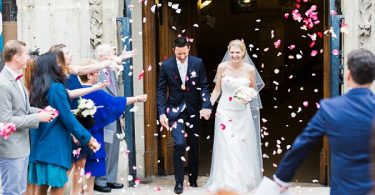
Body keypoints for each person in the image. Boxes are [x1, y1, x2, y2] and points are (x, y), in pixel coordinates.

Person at [274, 49, 375, 195]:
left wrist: (282, 178)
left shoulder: (330, 108)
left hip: (343, 190)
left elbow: (303, 144)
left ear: (348, 75)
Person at [28, 52, 100, 195]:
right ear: (52, 67)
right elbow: (67, 118)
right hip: (54, 145)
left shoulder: (36, 88)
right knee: (58, 185)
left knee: (42, 186)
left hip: (39, 143)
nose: (63, 65)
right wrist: (88, 138)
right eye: (59, 63)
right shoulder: (56, 88)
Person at [75, 58, 147, 194]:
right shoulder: (96, 92)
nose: (98, 74)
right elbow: (114, 103)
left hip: (77, 136)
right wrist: (137, 98)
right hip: (93, 137)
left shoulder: (75, 91)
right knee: (89, 175)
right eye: (96, 72)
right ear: (89, 75)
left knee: (78, 173)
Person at [205, 39, 264, 194]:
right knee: (227, 145)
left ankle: (242, 179)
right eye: (232, 52)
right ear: (228, 52)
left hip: (242, 113)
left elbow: (253, 90)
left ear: (243, 53)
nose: (234, 55)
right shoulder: (222, 67)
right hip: (225, 110)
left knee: (242, 145)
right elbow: (217, 89)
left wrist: (248, 97)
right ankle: (227, 181)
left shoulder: (250, 69)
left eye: (238, 52)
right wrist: (208, 106)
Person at [157, 36, 212, 194]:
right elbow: (161, 90)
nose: (181, 57)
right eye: (178, 54)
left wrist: (206, 106)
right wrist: (162, 113)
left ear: (188, 48)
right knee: (180, 143)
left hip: (193, 109)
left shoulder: (198, 63)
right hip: (175, 111)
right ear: (174, 50)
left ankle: (193, 179)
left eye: (184, 54)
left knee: (194, 145)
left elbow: (204, 86)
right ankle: (179, 182)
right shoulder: (167, 65)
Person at [0, 40, 55, 195]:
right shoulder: (3, 83)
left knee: (20, 190)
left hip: (22, 146)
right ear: (16, 57)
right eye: (25, 54)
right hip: (10, 148)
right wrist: (38, 117)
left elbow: (23, 109)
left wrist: (42, 110)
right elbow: (6, 120)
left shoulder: (16, 79)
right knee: (12, 191)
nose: (28, 58)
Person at [93, 43, 137, 192]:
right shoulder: (95, 71)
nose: (113, 57)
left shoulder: (110, 70)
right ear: (102, 57)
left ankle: (111, 178)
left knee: (114, 148)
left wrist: (122, 57)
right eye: (111, 55)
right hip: (104, 116)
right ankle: (100, 180)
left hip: (115, 115)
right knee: (105, 148)